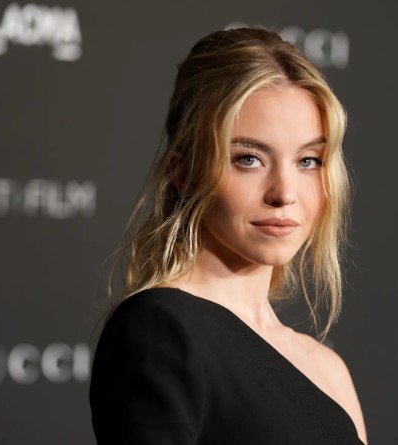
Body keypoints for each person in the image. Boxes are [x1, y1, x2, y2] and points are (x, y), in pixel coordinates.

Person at [89, 27, 367, 444]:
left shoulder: (328, 369)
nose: (284, 193)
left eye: (308, 160)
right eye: (249, 159)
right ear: (184, 172)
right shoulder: (159, 330)